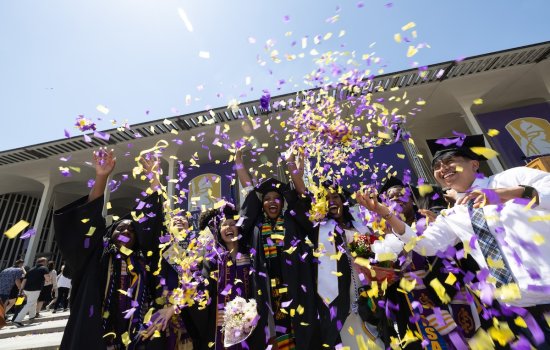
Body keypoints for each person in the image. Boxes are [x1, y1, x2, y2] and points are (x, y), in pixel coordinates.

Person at [358, 134, 550, 348]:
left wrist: (514, 193)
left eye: (449, 161)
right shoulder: (454, 214)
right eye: (437, 166)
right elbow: (424, 245)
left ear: (474, 164)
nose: (443, 168)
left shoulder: (512, 178)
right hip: (517, 308)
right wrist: (386, 215)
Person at [53, 149, 165, 350]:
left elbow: (151, 219)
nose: (126, 231)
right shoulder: (96, 257)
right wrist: (102, 176)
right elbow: (89, 221)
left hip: (137, 335)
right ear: (109, 234)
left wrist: (154, 178)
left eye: (132, 229)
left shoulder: (144, 261)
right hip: (98, 336)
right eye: (120, 228)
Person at [235, 149, 319, 349]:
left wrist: (292, 164)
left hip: (296, 285)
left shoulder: (293, 221)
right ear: (262, 204)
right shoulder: (255, 226)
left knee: (300, 331)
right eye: (267, 198)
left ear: (282, 203)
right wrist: (238, 161)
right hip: (268, 291)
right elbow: (249, 192)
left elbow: (302, 196)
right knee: (274, 334)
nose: (271, 201)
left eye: (276, 198)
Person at [13, 257, 49, 326]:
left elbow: (24, 280)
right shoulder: (44, 268)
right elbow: (47, 278)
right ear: (44, 262)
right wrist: (48, 280)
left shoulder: (31, 269)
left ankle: (32, 316)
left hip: (26, 289)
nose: (47, 263)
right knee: (29, 304)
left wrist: (21, 290)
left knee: (32, 302)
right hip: (35, 289)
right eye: (46, 262)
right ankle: (17, 320)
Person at [0, 259, 25, 325]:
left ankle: (4, 316)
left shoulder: (5, 269)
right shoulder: (18, 270)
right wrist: (21, 289)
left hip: (1, 288)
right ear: (21, 264)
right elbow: (17, 280)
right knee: (3, 305)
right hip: (7, 290)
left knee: (3, 304)